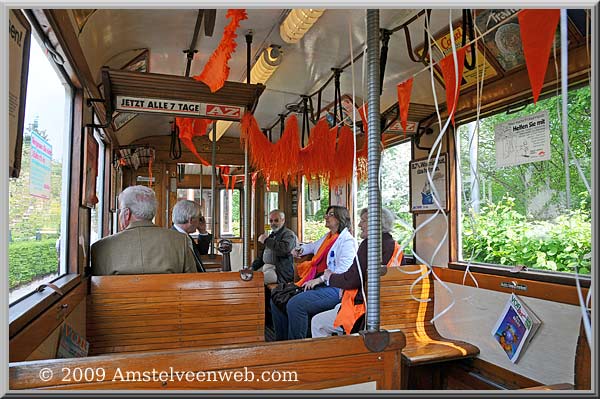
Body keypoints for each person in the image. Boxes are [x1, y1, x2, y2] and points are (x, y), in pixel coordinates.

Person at [311, 207, 404, 338]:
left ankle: (329, 357)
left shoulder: (369, 245)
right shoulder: (395, 246)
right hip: (386, 307)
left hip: (364, 310)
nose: (360, 224)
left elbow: (353, 280)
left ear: (376, 223)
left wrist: (329, 277)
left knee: (317, 322)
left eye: (364, 221)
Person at [270, 205, 357, 341]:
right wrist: (300, 250)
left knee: (295, 304)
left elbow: (342, 272)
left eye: (331, 214)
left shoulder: (347, 242)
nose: (326, 217)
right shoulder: (328, 237)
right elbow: (312, 246)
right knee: (277, 296)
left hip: (336, 288)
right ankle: (281, 342)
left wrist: (319, 279)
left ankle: (297, 347)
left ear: (340, 219)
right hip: (319, 282)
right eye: (327, 214)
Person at [91, 185, 197, 275]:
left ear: (127, 213)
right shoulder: (180, 241)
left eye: (120, 210)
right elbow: (191, 281)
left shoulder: (101, 247)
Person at [251, 209, 297, 285]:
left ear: (283, 220)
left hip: (279, 272)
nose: (273, 223)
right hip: (266, 268)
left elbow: (284, 249)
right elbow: (262, 256)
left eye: (276, 220)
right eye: (271, 221)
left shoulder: (288, 234)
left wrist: (266, 240)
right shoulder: (272, 235)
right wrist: (252, 268)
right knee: (248, 277)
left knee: (255, 282)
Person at [171, 199, 206, 272]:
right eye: (199, 218)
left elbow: (201, 253)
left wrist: (203, 232)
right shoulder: (171, 238)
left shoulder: (186, 235)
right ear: (191, 220)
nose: (200, 222)